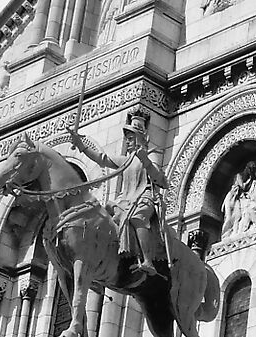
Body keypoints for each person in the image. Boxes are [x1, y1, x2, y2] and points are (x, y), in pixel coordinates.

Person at [63, 111, 173, 277]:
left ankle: (148, 261)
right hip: (126, 200)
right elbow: (102, 158)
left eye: (130, 138)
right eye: (127, 138)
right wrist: (81, 144)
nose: (127, 142)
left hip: (144, 198)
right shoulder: (125, 160)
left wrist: (146, 161)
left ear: (139, 138)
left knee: (137, 218)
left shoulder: (149, 156)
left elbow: (162, 181)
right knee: (104, 211)